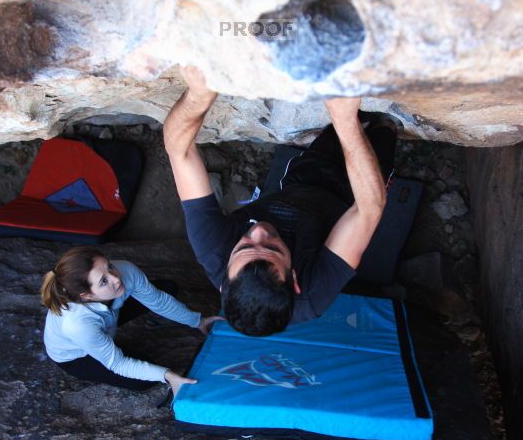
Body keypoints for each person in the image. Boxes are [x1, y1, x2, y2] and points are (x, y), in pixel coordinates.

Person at [163, 66, 396, 336]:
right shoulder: (313, 294)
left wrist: (199, 93)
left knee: (336, 133)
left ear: (224, 281)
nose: (259, 231)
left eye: (244, 246)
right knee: (382, 133)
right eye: (273, 247)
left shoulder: (213, 249)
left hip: (301, 185)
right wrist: (346, 120)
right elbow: (368, 209)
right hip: (349, 202)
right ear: (294, 279)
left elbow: (178, 152)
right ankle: (384, 127)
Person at [42, 247, 219, 395]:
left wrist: (198, 321)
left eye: (109, 266)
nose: (116, 278)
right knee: (144, 379)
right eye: (104, 281)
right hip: (77, 354)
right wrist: (167, 376)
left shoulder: (123, 271)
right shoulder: (77, 324)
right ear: (86, 296)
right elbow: (117, 363)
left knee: (166, 288)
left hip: (108, 314)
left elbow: (158, 301)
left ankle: (154, 322)